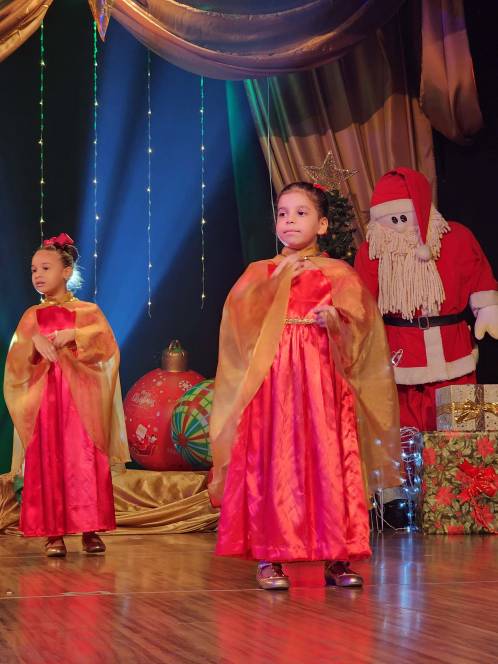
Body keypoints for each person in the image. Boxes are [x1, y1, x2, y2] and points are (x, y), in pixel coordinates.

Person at [209, 182, 400, 590]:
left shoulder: (338, 273)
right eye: (283, 213)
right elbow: (238, 322)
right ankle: (271, 555)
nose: (290, 221)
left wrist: (335, 320)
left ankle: (337, 555)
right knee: (274, 460)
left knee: (329, 459)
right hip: (273, 380)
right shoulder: (260, 271)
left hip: (321, 380)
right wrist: (273, 284)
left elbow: (361, 326)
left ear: (323, 224)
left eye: (301, 213)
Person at [4, 233, 129, 556]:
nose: (38, 275)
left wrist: (75, 335)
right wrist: (33, 343)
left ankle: (90, 528)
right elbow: (16, 363)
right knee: (49, 459)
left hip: (81, 400)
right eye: (34, 270)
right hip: (46, 401)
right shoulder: (31, 316)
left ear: (67, 272)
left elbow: (107, 346)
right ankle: (53, 532)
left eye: (45, 268)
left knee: (83, 458)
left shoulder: (88, 311)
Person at [354, 167, 498, 430]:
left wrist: (488, 307)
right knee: (408, 437)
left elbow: (477, 272)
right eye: (391, 219)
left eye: (404, 216)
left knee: (467, 437)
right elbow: (362, 302)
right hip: (402, 360)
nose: (399, 225)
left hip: (455, 353)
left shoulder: (456, 237)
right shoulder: (372, 251)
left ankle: (467, 458)